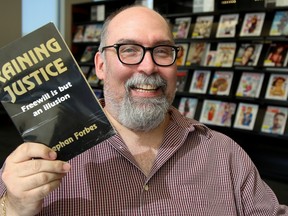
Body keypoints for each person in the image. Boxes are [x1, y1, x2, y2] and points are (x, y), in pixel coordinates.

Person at [0, 5, 287, 216]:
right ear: (100, 65)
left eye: (162, 50)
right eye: (128, 50)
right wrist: (13, 207)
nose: (148, 67)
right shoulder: (38, 162)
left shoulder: (225, 155)